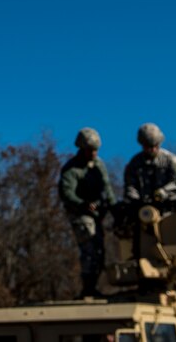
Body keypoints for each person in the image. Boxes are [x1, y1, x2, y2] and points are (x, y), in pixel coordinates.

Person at [58, 127, 117, 297]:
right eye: (90, 150)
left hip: (97, 214)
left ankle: (94, 286)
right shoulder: (72, 169)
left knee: (100, 251)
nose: (93, 153)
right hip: (81, 214)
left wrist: (114, 208)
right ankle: (88, 288)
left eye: (95, 150)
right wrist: (84, 205)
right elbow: (67, 194)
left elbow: (107, 188)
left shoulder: (99, 165)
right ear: (82, 149)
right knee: (89, 250)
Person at [123, 123, 176, 205]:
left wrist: (163, 192)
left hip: (169, 207)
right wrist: (135, 200)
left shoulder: (171, 160)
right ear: (142, 144)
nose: (153, 149)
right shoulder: (135, 163)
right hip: (143, 210)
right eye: (149, 146)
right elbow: (130, 186)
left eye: (156, 145)